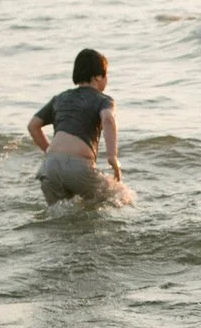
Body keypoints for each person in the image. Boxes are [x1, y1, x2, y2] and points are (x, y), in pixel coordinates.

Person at [27, 48, 129, 208]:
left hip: (49, 167)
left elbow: (33, 126)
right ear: (97, 76)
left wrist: (50, 152)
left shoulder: (60, 98)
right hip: (79, 168)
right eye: (106, 74)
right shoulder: (103, 100)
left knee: (59, 216)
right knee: (120, 195)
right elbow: (108, 119)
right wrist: (112, 157)